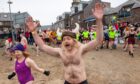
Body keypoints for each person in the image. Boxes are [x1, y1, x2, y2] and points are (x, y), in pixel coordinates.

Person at [26, 3, 104, 84]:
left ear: (74, 41)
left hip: (82, 82)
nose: (65, 40)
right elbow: (42, 46)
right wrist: (33, 31)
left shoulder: (81, 49)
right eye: (63, 39)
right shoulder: (60, 52)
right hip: (68, 82)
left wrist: (99, 20)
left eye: (68, 39)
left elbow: (98, 40)